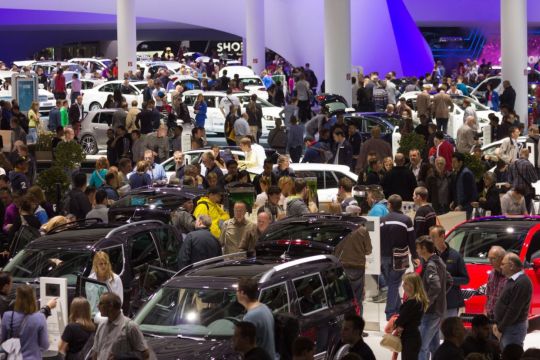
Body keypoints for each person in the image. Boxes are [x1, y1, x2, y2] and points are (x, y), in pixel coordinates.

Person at [380, 194, 417, 319]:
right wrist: (415, 256)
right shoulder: (406, 220)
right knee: (394, 284)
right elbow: (412, 240)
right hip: (400, 257)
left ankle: (394, 311)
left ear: (389, 205)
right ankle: (392, 312)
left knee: (392, 284)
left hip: (383, 257)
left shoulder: (381, 220)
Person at [416, 235, 452, 360]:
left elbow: (436, 286)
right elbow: (449, 281)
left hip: (431, 312)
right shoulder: (439, 261)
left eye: (418, 248)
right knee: (434, 345)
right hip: (437, 310)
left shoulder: (431, 265)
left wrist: (427, 302)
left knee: (421, 346)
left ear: (424, 248)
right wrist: (440, 297)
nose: (417, 251)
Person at [91, 292, 150, 360]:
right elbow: (95, 352)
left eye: (101, 303)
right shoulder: (101, 324)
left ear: (110, 306)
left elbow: (145, 355)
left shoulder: (130, 327)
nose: (97, 306)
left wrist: (122, 357)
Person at [494, 252, 533, 349]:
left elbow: (514, 310)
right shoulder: (514, 280)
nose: (500, 266)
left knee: (511, 354)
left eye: (503, 264)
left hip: (513, 328)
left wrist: (500, 328)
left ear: (511, 266)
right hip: (509, 326)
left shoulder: (522, 282)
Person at [1, 284, 49, 359]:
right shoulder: (40, 317)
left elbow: (2, 340)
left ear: (17, 298)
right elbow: (44, 345)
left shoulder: (7, 316)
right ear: (33, 298)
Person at [430, 225, 469, 318]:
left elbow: (465, 279)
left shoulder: (455, 256)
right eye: (430, 237)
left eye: (433, 237)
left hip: (450, 303)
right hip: (432, 304)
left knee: (448, 331)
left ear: (442, 236)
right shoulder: (430, 256)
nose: (431, 240)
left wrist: (448, 279)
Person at [333, 223, 372, 315]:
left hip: (341, 267)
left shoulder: (338, 229)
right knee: (358, 299)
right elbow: (368, 250)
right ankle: (357, 325)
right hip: (357, 267)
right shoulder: (362, 230)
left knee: (342, 299)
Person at [236, 278, 276, 359]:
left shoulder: (250, 317)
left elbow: (245, 345)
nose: (236, 294)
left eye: (237, 291)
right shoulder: (264, 308)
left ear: (242, 293)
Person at [394, 273, 428, 360]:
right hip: (411, 337)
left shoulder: (413, 302)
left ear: (412, 285)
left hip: (410, 339)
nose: (403, 285)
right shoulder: (417, 300)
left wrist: (395, 322)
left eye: (405, 283)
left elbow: (400, 320)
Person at [508, 148, 538, 213]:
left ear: (520, 154)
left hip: (515, 192)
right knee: (525, 211)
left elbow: (510, 180)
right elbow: (534, 179)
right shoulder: (528, 164)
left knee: (515, 211)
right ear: (528, 155)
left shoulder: (512, 164)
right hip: (526, 192)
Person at [450, 152, 478, 219]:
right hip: (461, 207)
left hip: (467, 208)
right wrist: (454, 202)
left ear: (460, 162)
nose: (452, 164)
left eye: (454, 162)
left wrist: (461, 205)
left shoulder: (466, 173)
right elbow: (457, 190)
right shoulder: (457, 173)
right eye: (452, 162)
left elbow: (468, 193)